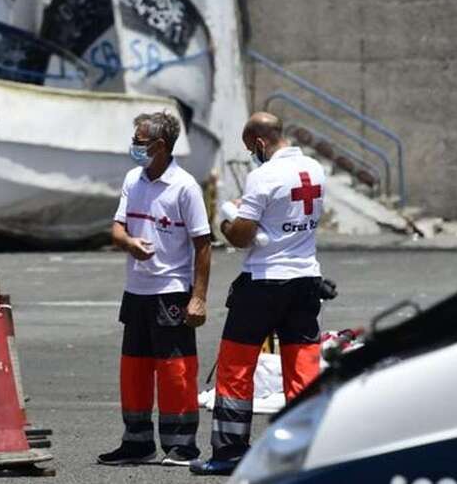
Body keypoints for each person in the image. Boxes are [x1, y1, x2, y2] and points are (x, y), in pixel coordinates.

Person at [191, 112, 326, 475]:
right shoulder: (315, 169)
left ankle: (230, 452)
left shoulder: (263, 176)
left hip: (264, 282)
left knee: (236, 366)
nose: (253, 154)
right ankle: (305, 453)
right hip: (306, 279)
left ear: (261, 143)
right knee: (302, 368)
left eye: (252, 148)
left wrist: (224, 219)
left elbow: (241, 236)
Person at [98, 111, 212, 467]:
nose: (134, 146)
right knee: (134, 368)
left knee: (175, 370)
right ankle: (137, 442)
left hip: (171, 291)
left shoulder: (185, 187)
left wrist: (198, 297)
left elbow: (204, 245)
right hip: (136, 291)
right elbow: (116, 229)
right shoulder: (134, 179)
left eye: (139, 141)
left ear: (160, 146)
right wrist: (129, 243)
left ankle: (182, 445)